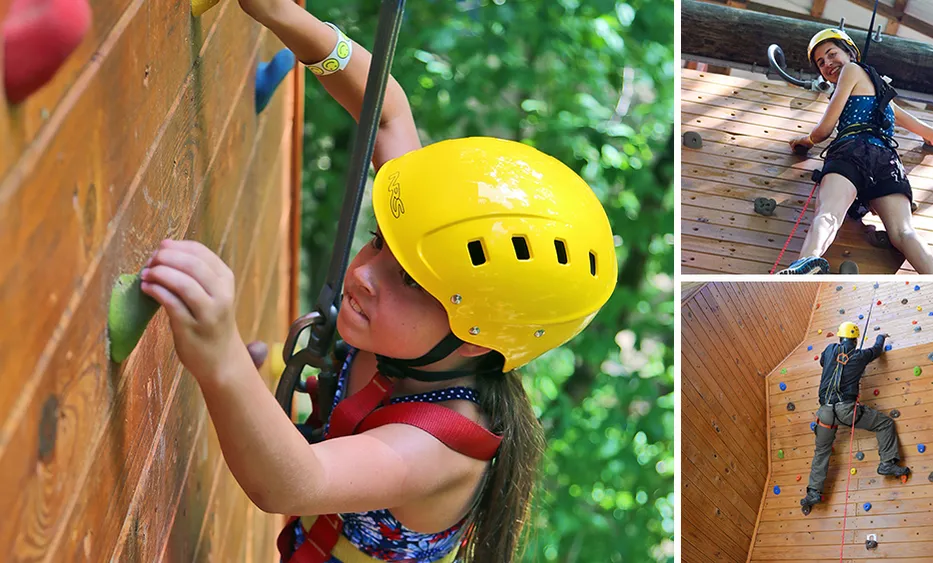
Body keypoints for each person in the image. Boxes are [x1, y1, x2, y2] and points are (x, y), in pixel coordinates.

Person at [136, 2, 618, 561]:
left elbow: (293, 482)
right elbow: (386, 115)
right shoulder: (426, 327)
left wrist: (219, 358)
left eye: (410, 281)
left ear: (473, 337)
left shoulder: (441, 444)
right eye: (378, 242)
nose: (363, 274)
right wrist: (288, 19)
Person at [778, 28, 933, 275]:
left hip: (850, 152)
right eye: (821, 62)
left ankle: (807, 261)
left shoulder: (851, 70)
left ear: (852, 54)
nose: (827, 64)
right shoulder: (886, 101)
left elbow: (824, 130)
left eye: (832, 54)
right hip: (887, 162)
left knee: (830, 212)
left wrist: (805, 141)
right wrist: (931, 142)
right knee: (903, 232)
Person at [800, 322, 911, 515]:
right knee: (885, 424)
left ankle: (813, 493)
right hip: (846, 410)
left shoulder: (829, 350)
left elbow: (824, 363)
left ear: (839, 337)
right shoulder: (859, 356)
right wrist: (881, 336)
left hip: (824, 412)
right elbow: (877, 350)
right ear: (855, 339)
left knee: (822, 451)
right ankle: (887, 463)